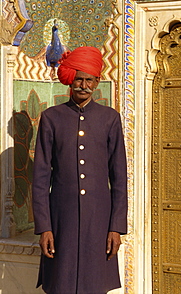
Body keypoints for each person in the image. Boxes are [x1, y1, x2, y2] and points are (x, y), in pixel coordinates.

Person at [32, 46, 128, 294]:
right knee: (60, 284)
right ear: (70, 80)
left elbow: (119, 178)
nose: (83, 85)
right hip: (61, 219)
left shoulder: (110, 119)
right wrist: (45, 228)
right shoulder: (52, 118)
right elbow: (41, 178)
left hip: (100, 220)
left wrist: (116, 227)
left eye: (89, 79)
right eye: (79, 79)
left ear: (97, 81)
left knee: (95, 284)